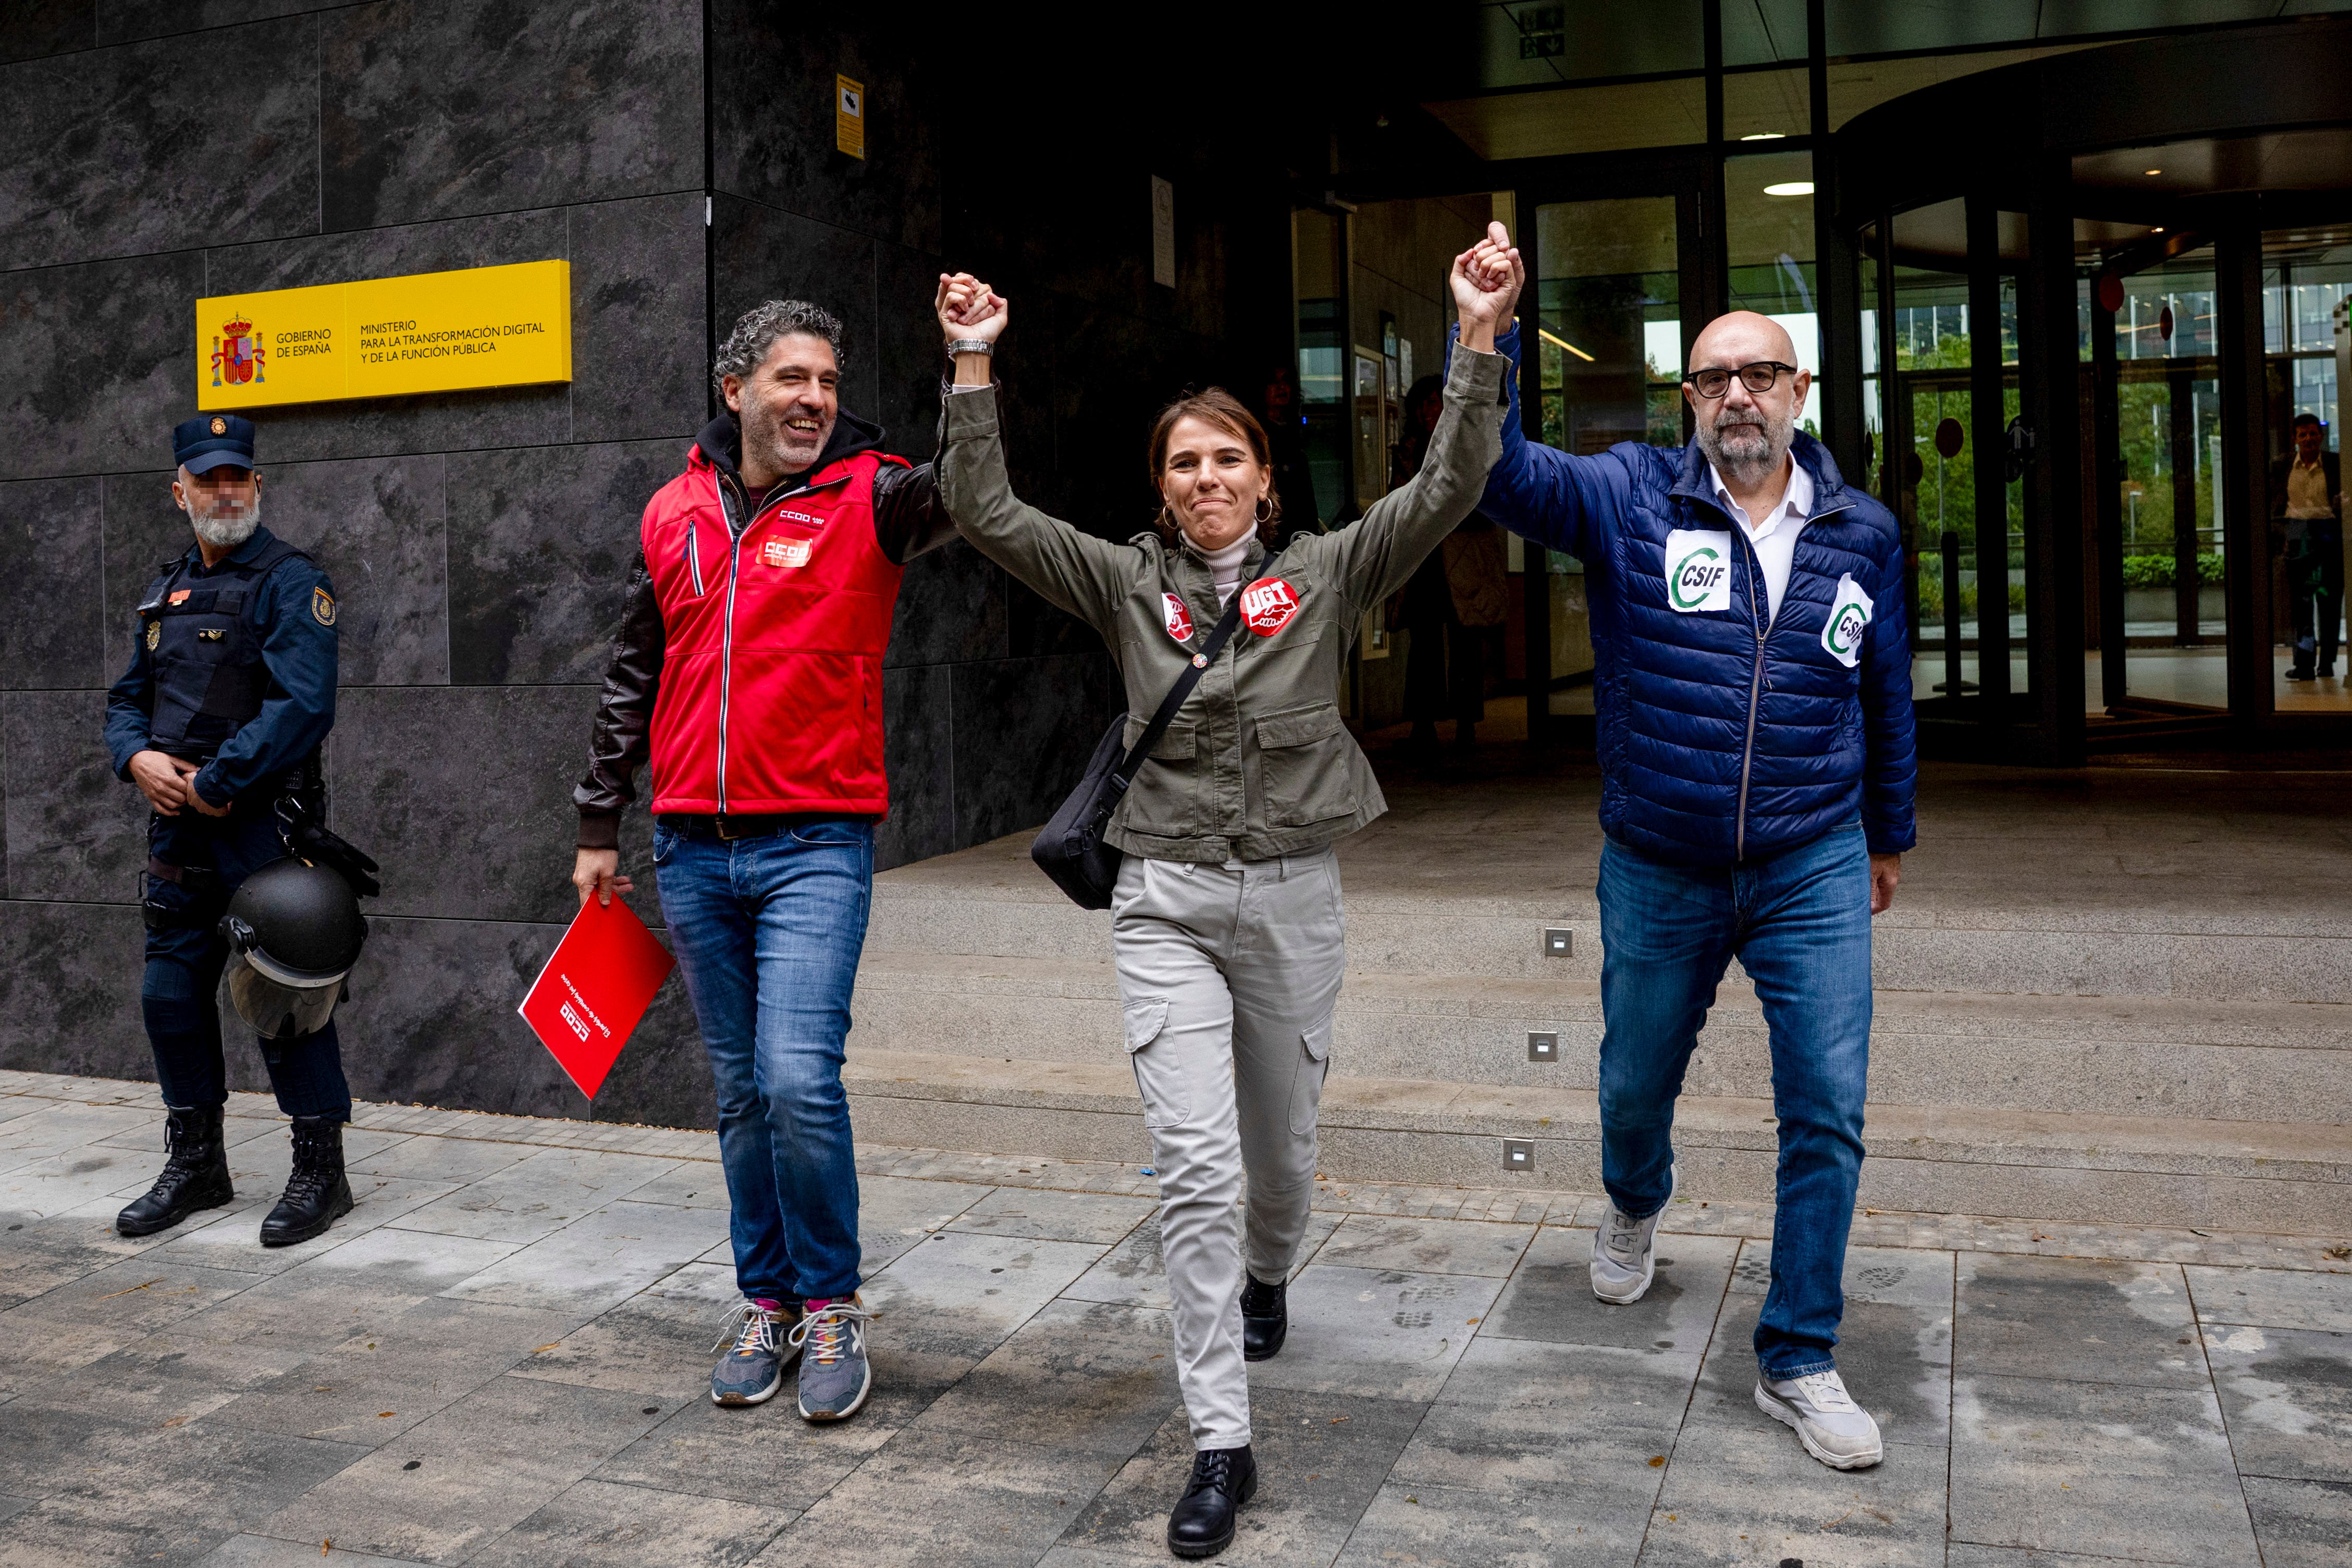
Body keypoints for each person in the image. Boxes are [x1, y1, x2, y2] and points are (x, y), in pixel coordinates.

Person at [931, 239, 1517, 1559]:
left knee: (1281, 1158)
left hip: (1293, 900)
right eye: (1182, 462)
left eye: (1227, 458)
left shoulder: (1323, 574)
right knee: (1192, 1167)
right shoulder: (1123, 584)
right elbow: (988, 510)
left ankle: (1270, 1272)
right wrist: (972, 359)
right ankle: (1218, 1437)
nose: (1206, 479)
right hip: (1166, 898)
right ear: (1161, 486)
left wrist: (1474, 334)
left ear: (1262, 473)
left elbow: (1447, 484)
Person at [1463, 290, 1916, 1472]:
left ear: (1797, 391)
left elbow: (1883, 690)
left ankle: (1797, 1352)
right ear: (1686, 399)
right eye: (1714, 377)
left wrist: (1885, 832)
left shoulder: (1858, 530)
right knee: (1632, 1078)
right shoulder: (1628, 500)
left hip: (1808, 848)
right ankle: (1631, 1195)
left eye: (1759, 374)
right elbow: (1503, 477)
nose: (1736, 396)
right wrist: (1487, 334)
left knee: (1824, 1096)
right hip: (1659, 855)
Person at [571, 299, 955, 1421]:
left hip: (816, 842)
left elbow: (971, 492)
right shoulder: (673, 511)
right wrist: (600, 824)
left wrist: (968, 364)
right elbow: (630, 675)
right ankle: (769, 1299)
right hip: (691, 846)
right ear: (732, 388)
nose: (815, 398)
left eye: (828, 380)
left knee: (796, 1078)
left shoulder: (875, 494)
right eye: (790, 376)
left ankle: (832, 1301)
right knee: (741, 1094)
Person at [104, 414, 356, 1248]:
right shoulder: (165, 588)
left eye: (237, 477)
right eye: (207, 479)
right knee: (168, 997)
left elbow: (304, 706)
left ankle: (321, 1172)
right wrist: (136, 758)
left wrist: (215, 781)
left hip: (261, 831)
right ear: (179, 492)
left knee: (286, 1000)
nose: (224, 492)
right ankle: (198, 1165)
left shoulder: (289, 582)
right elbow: (125, 699)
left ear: (257, 486)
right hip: (178, 833)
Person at [1390, 373, 1509, 750]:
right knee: (1423, 643)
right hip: (1423, 558)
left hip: (1461, 553)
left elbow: (1482, 504)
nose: (1427, 411)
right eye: (1421, 404)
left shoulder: (1466, 445)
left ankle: (1465, 723)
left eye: (1433, 402)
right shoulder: (1409, 449)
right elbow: (1397, 502)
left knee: (1464, 641)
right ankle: (1422, 724)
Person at [2274, 412, 2343, 681]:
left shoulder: (2336, 463)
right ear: (2295, 439)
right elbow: (2275, 502)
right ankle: (2304, 665)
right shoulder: (2282, 466)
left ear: (2321, 436)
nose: (2309, 439)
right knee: (2301, 605)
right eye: (2303, 435)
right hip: (2298, 530)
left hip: (2328, 529)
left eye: (2314, 434)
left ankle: (2327, 663)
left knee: (2330, 600)